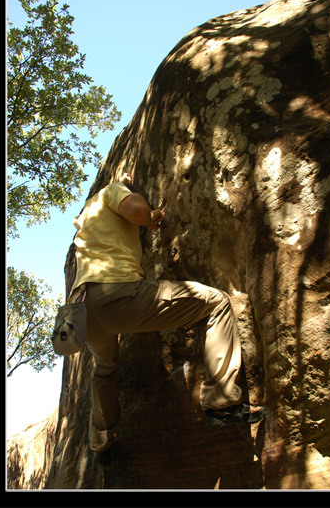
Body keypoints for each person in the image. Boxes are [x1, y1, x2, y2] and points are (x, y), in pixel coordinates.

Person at [69, 173, 267, 467]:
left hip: (78, 314)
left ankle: (101, 443)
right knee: (216, 303)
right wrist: (148, 214)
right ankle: (220, 402)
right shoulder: (112, 191)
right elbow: (136, 211)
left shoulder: (85, 221)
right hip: (112, 294)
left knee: (104, 369)